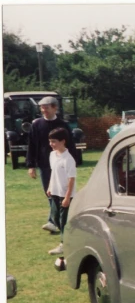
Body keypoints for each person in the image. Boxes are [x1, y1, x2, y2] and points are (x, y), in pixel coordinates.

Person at [26, 96, 76, 233]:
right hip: (44, 164)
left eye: (46, 108)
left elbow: (71, 144)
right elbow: (32, 145)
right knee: (50, 192)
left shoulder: (63, 125)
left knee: (61, 193)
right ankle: (55, 221)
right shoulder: (36, 125)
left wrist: (73, 162)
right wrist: (31, 165)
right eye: (42, 108)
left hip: (62, 164)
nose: (44, 111)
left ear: (55, 108)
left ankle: (55, 221)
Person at [45, 127, 77, 255]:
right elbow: (53, 173)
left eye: (54, 141)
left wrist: (67, 197)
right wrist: (49, 187)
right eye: (50, 141)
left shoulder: (68, 159)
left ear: (63, 141)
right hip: (55, 192)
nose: (51, 144)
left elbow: (71, 179)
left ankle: (64, 244)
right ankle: (70, 238)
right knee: (55, 217)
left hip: (65, 195)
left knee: (63, 221)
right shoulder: (52, 155)